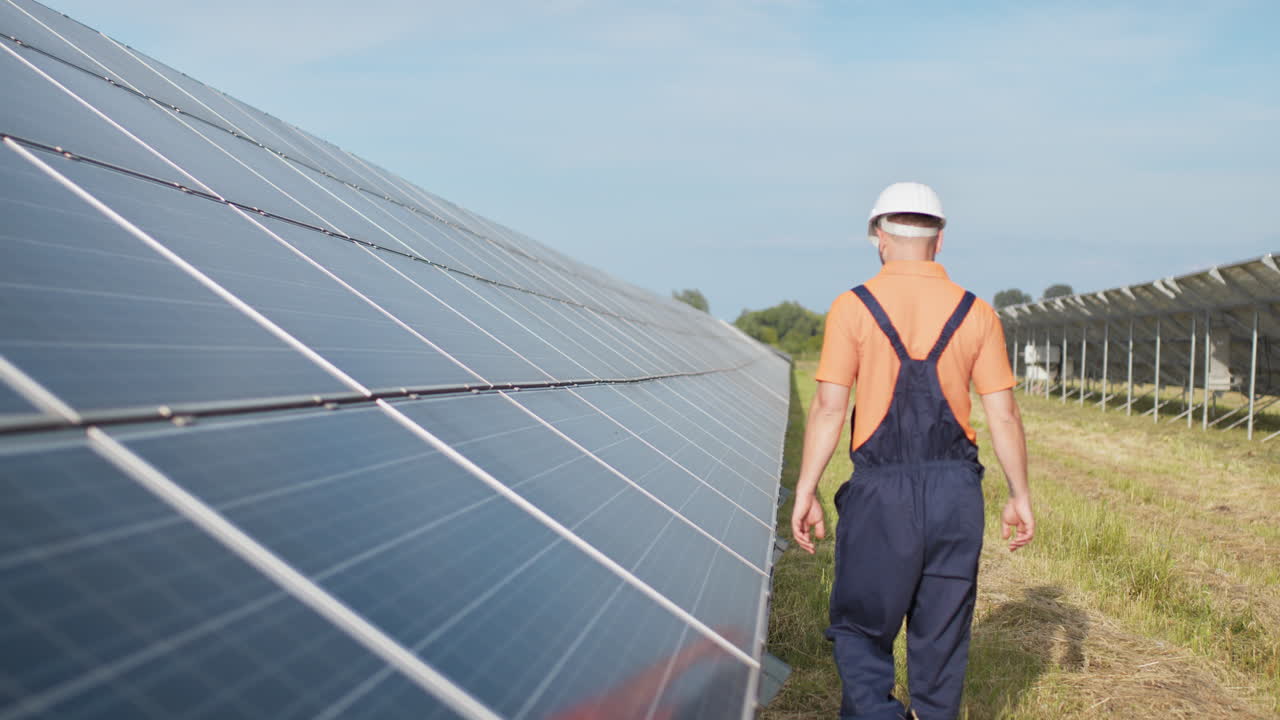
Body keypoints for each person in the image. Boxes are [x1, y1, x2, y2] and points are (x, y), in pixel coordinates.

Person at [789, 182, 1034, 720]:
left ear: (879, 236)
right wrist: (1020, 495)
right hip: (956, 496)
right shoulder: (977, 312)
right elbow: (1003, 414)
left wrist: (806, 490)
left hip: (882, 496)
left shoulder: (852, 308)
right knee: (941, 644)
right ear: (940, 240)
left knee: (860, 629)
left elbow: (830, 408)